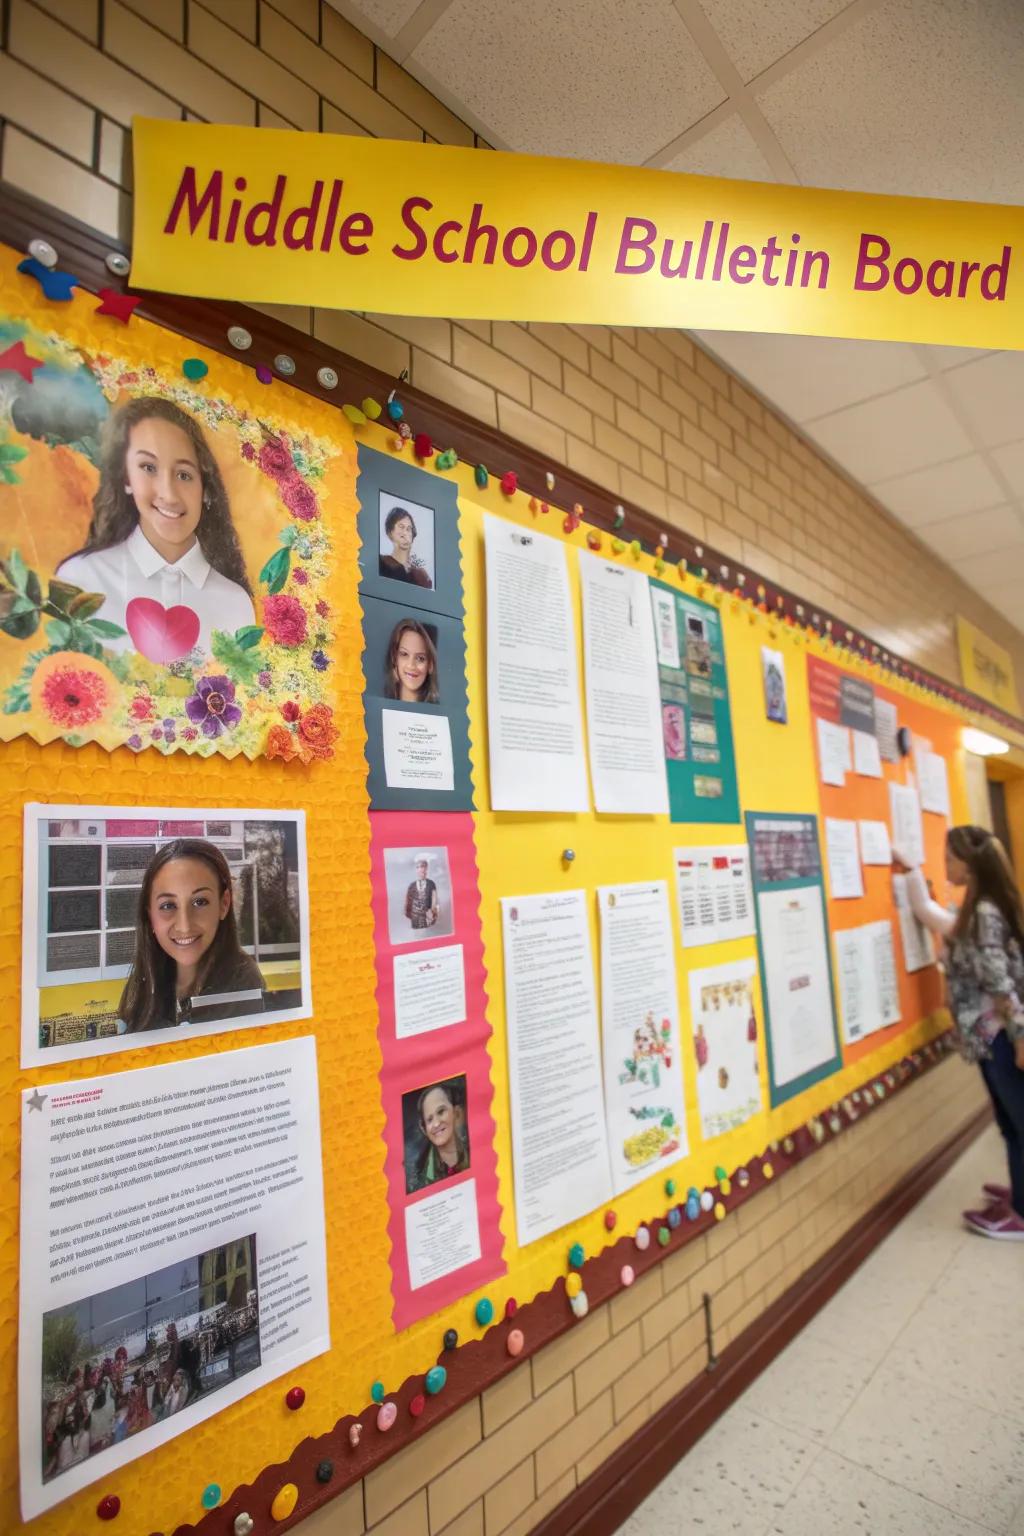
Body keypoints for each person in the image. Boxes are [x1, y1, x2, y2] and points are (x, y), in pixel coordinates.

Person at [894, 825, 1024, 1239]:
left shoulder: (983, 912)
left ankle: (1021, 1214)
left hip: (1003, 1035)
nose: (945, 864)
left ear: (970, 864)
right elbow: (933, 916)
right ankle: (1020, 1196)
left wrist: (1020, 1037)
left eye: (950, 857)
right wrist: (912, 872)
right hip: (995, 1035)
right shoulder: (981, 906)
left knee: (1018, 1122)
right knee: (1009, 1121)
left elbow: (1000, 981)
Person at [57, 396, 255, 656]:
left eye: (184, 474)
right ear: (126, 478)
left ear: (205, 489)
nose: (169, 494)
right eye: (148, 468)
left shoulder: (234, 603)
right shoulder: (81, 578)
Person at [118, 838, 265, 1032]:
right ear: (150, 915)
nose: (185, 926)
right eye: (168, 906)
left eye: (200, 902)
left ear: (224, 904)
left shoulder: (244, 984)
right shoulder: (145, 982)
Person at [409, 1082, 469, 1191]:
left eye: (441, 1112)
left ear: (456, 1112)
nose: (436, 1123)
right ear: (424, 1129)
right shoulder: (419, 1176)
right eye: (430, 1119)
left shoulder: (475, 1150)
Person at [383, 618, 439, 704]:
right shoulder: (380, 707)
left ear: (430, 665)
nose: (411, 665)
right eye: (404, 654)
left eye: (420, 658)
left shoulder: (438, 714)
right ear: (394, 658)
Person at [379, 506, 432, 588]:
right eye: (401, 527)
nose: (405, 533)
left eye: (409, 529)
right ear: (390, 532)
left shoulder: (422, 576)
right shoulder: (381, 563)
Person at [404, 857, 439, 932]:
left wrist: (432, 913)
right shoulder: (412, 885)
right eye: (418, 867)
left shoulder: (431, 884)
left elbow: (434, 901)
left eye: (423, 867)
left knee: (427, 934)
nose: (421, 870)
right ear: (416, 870)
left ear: (426, 869)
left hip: (427, 916)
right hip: (415, 918)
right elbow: (408, 902)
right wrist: (410, 914)